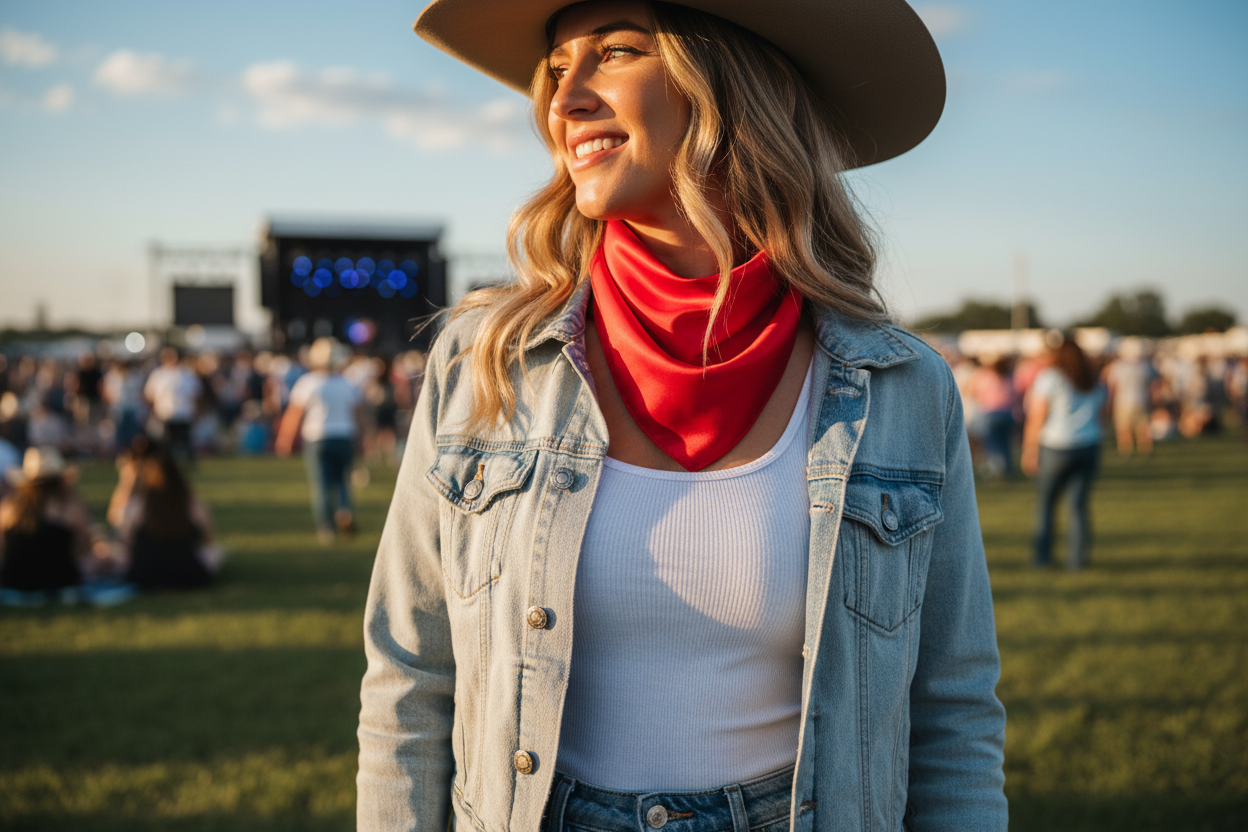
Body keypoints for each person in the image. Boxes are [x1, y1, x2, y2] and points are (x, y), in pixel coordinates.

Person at [358, 2, 1006, 831]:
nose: (566, 100)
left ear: (731, 87)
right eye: (557, 70)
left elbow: (952, 715)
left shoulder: (904, 387)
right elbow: (409, 683)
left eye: (617, 51)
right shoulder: (485, 361)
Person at [1021, 336, 1107, 570]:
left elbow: (1037, 417)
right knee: (1078, 506)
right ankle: (1077, 560)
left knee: (1046, 505)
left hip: (1056, 446)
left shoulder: (1050, 378)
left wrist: (1029, 451)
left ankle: (1042, 558)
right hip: (1089, 445)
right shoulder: (1092, 378)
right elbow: (1103, 413)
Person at [275, 337, 364, 542]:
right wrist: (363, 438)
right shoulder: (346, 383)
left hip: (317, 437)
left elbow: (294, 415)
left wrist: (285, 439)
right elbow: (358, 413)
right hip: (344, 436)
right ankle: (344, 511)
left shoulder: (308, 383)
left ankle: (326, 528)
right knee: (343, 480)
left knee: (321, 484)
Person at [107, 443, 222, 589]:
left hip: (144, 576)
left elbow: (125, 542)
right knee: (215, 553)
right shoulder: (194, 507)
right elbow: (207, 541)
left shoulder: (139, 508)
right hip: (190, 575)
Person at [0, 447, 91, 604]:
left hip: (14, 585)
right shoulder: (70, 508)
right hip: (61, 584)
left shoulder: (9, 508)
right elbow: (84, 548)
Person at [144, 347, 202, 463]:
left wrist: (196, 411)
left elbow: (196, 394)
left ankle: (189, 463)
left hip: (184, 413)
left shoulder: (187, 374)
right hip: (165, 413)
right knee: (166, 442)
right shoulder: (158, 374)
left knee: (185, 441)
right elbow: (149, 394)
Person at [1104, 337, 1155, 457]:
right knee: (1143, 428)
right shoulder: (1145, 366)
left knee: (1123, 429)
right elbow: (1153, 386)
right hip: (1141, 400)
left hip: (1122, 402)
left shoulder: (1117, 366)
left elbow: (1112, 387)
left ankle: (1126, 453)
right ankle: (1146, 452)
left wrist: (1109, 404)